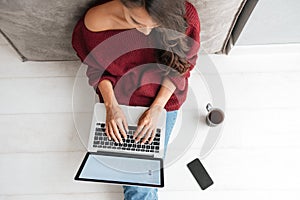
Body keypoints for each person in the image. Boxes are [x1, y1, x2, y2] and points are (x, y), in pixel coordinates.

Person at [72, 0, 200, 199]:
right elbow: (96, 69)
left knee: (140, 183)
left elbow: (181, 66)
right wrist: (111, 106)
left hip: (163, 98)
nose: (147, 32)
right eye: (137, 21)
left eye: (155, 25)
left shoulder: (181, 15)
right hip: (119, 102)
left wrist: (157, 107)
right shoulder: (95, 22)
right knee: (142, 182)